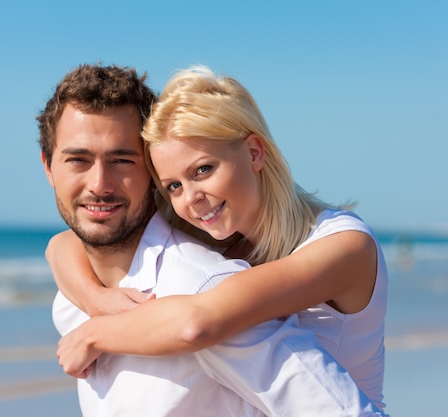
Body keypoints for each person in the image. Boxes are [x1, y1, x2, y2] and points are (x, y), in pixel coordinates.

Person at [38, 63, 384, 417]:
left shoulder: (344, 245)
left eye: (203, 170)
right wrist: (96, 299)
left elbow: (198, 321)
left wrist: (95, 332)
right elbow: (64, 243)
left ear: (254, 152)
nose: (190, 199)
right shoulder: (210, 228)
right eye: (172, 185)